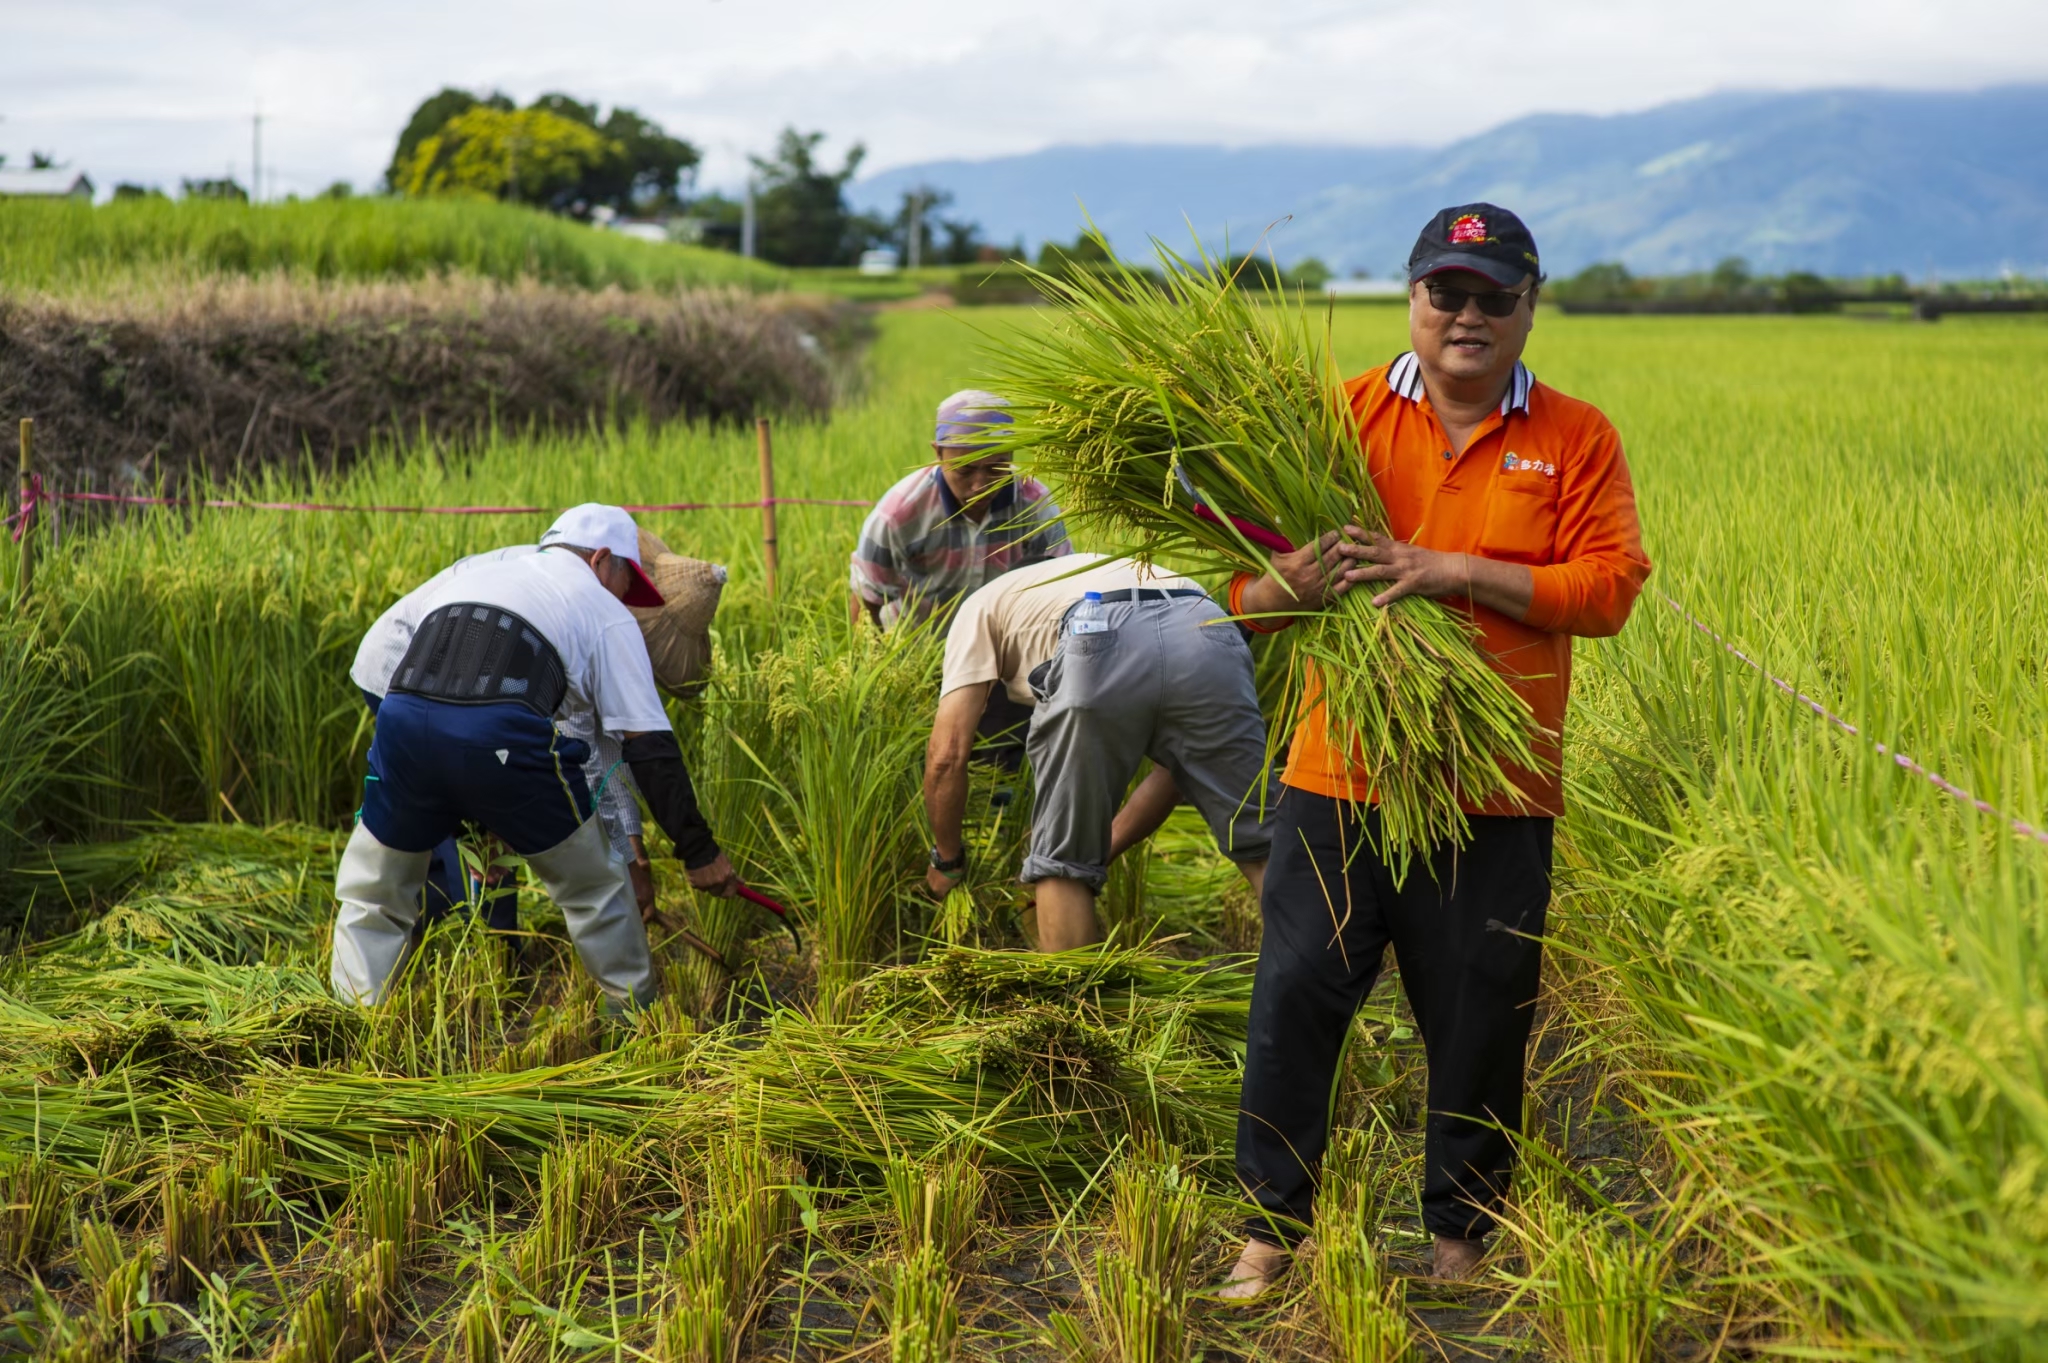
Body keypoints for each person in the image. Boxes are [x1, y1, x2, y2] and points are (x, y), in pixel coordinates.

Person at [1219, 204, 1652, 1292]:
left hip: (1496, 789)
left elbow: (1606, 591)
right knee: (1294, 999)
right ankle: (1268, 1232)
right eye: (1442, 291)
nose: (1465, 315)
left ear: (1527, 305)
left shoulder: (1575, 437)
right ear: (1410, 298)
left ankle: (1459, 1239)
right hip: (1339, 771)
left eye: (1490, 295)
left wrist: (1448, 569)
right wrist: (1287, 587)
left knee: (1478, 1014)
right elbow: (1239, 598)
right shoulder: (1331, 420)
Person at [330, 504, 739, 1014]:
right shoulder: (604, 609)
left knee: (374, 892)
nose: (627, 602)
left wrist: (482, 812)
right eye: (626, 585)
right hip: (499, 730)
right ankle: (634, 1021)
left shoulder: (489, 568)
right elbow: (647, 745)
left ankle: (352, 1020)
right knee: (592, 889)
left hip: (404, 715)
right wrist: (698, 853)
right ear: (601, 560)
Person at [921, 553, 1272, 950]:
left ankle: (1072, 1009)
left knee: (1062, 863)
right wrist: (1105, 844)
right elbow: (1177, 771)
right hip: (1206, 623)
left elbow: (946, 754)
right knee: (1264, 844)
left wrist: (947, 860)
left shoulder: (977, 607)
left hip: (1098, 627)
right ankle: (1322, 1002)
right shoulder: (1080, 571)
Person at [851, 389, 1072, 763]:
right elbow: (868, 597)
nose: (980, 485)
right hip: (921, 661)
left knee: (1004, 764)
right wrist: (870, 679)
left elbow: (1065, 592)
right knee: (928, 762)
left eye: (996, 468)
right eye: (965, 470)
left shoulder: (1035, 505)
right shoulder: (900, 513)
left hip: (1004, 663)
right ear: (938, 454)